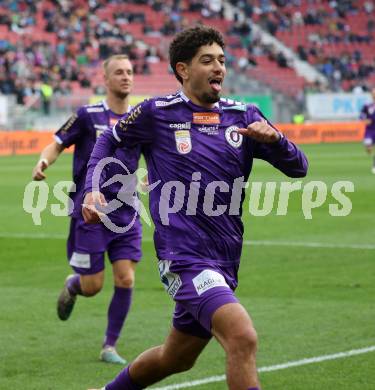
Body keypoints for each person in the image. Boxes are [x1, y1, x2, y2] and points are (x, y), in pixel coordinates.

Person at [84, 26, 308, 390]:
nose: (218, 67)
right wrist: (93, 188)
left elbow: (299, 168)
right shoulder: (157, 113)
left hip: (225, 257)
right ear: (183, 69)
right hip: (184, 257)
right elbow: (110, 139)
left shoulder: (243, 116)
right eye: (207, 61)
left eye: (222, 60)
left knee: (176, 358)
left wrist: (279, 141)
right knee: (242, 336)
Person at [32, 54, 142, 364]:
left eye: (130, 72)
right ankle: (73, 284)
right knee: (92, 286)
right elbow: (56, 143)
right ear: (105, 80)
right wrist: (44, 161)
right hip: (90, 211)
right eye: (119, 72)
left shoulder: (140, 118)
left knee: (126, 279)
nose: (126, 77)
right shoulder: (87, 115)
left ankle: (110, 346)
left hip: (126, 210)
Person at [359, 87, 375, 174]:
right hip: (369, 130)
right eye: (373, 93)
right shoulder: (367, 105)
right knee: (368, 147)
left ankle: (374, 164)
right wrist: (365, 120)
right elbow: (361, 115)